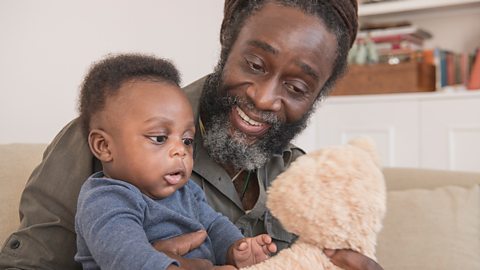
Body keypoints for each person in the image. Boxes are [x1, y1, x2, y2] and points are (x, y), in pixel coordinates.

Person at [0, 1, 385, 270]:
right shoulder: (110, 138)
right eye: (254, 64)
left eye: (298, 87)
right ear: (227, 39)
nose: (264, 98)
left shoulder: (307, 181)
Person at [74, 54, 276, 270]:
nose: (180, 150)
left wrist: (236, 249)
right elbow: (129, 259)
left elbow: (214, 226)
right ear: (104, 146)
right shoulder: (105, 199)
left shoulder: (186, 192)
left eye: (187, 140)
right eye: (159, 138)